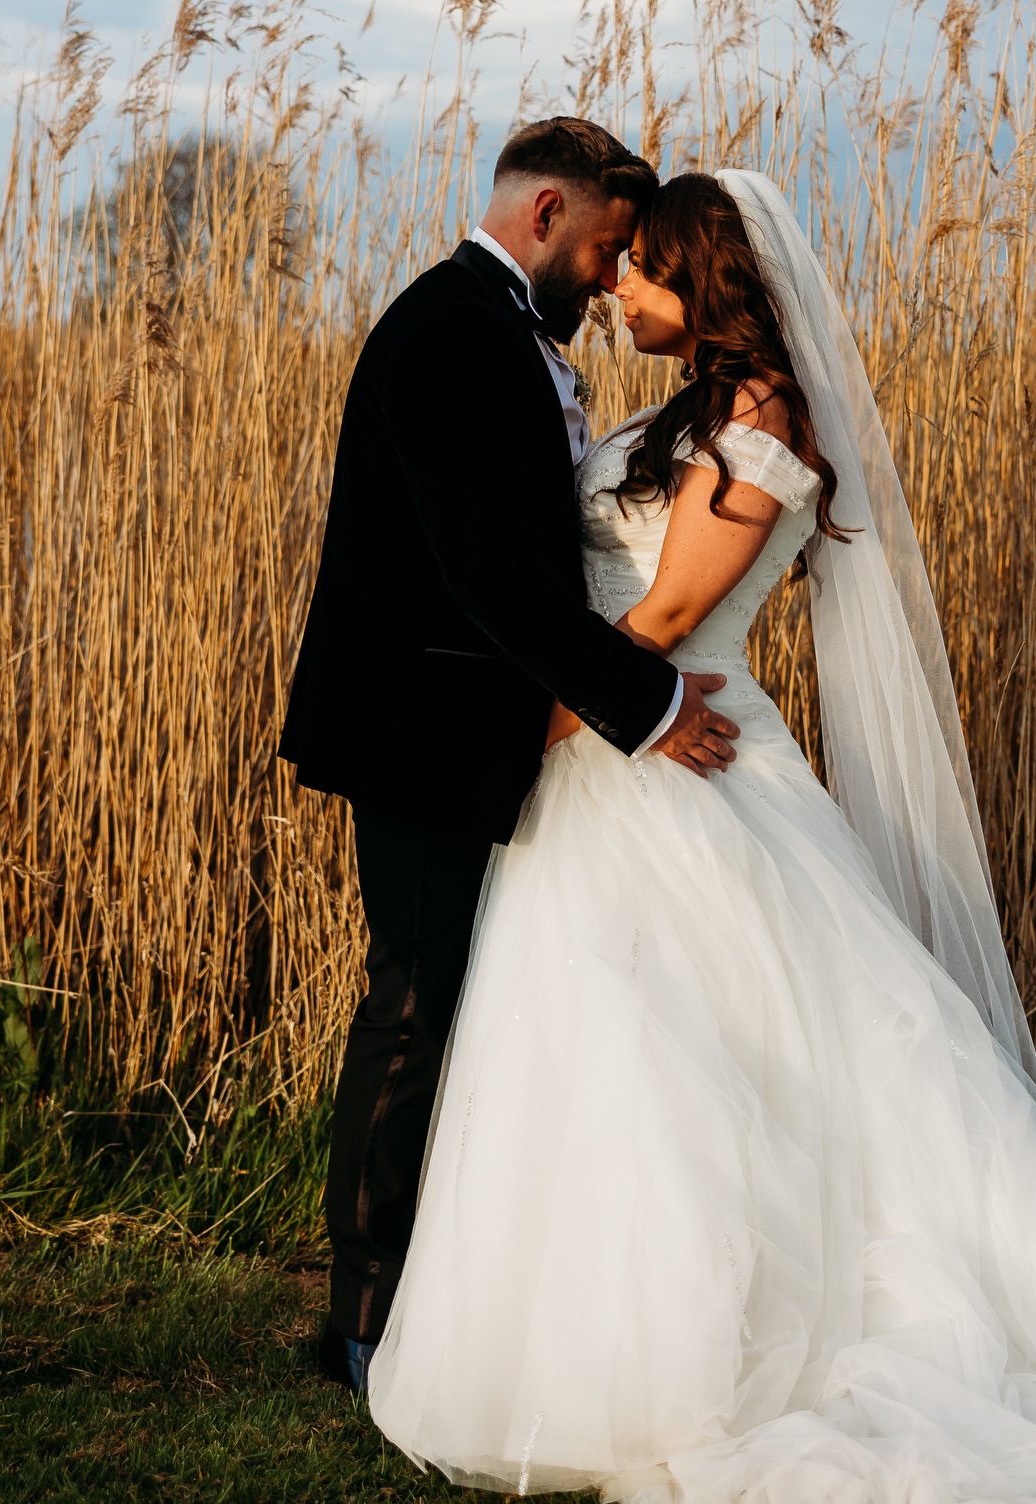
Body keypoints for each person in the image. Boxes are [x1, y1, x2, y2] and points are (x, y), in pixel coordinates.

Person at [369, 169, 1036, 1501]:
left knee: (680, 1055)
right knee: (607, 1047)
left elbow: (665, 619)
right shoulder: (693, 412)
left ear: (705, 283)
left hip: (671, 755)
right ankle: (564, 1334)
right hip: (626, 762)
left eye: (642, 268)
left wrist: (542, 738)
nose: (619, 287)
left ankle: (684, 1350)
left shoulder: (756, 426)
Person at [278, 120, 741, 1393]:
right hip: (422, 727)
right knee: (416, 1003)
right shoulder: (450, 333)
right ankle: (362, 1319)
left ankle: (441, 1288)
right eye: (601, 249)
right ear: (545, 216)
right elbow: (490, 578)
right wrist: (642, 705)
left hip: (471, 724)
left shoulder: (498, 331)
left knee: (455, 1004)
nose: (608, 278)